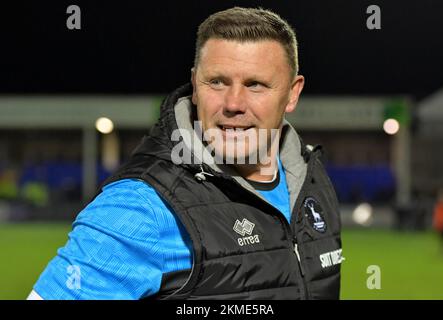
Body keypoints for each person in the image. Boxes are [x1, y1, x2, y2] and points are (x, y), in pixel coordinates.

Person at [28, 7, 342, 300]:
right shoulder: (142, 206)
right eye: (217, 82)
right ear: (194, 84)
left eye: (255, 85)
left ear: (292, 93)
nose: (233, 103)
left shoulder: (309, 178)